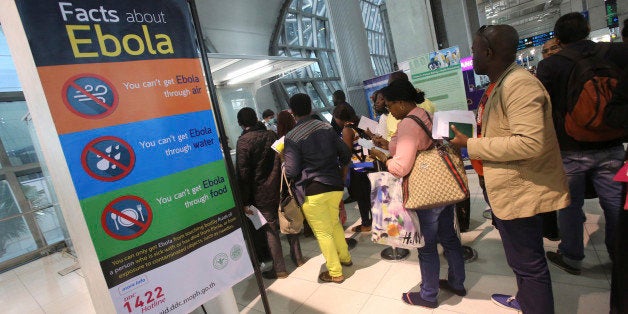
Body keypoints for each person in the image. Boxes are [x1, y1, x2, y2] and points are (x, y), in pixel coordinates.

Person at [450, 24, 570, 313]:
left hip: (520, 191)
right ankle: (527, 301)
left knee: (529, 263)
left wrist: (471, 145)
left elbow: (529, 143)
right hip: (506, 187)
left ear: (488, 52)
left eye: (474, 50)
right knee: (520, 259)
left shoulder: (519, 84)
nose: (472, 56)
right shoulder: (501, 83)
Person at [536, 12, 628, 275]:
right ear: (587, 29)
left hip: (570, 148)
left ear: (558, 38)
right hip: (612, 143)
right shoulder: (616, 53)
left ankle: (572, 255)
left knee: (569, 205)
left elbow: (543, 109)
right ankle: (620, 255)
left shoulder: (551, 66)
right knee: (615, 204)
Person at [369, 79, 465, 309]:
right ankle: (457, 282)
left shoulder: (406, 124)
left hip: (426, 194)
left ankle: (428, 295)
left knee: (427, 246)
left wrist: (384, 158)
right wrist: (388, 143)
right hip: (443, 186)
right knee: (449, 238)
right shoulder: (423, 113)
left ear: (401, 103)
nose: (390, 110)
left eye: (391, 105)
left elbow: (401, 167)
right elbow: (416, 143)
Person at [283, 93, 353, 283]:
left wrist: (284, 164)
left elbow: (292, 170)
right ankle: (345, 258)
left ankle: (335, 272)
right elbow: (345, 153)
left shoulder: (291, 137)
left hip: (312, 190)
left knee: (323, 232)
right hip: (334, 185)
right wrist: (339, 173)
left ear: (292, 113)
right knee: (335, 224)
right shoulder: (326, 127)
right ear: (311, 107)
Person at [235, 107, 290, 279]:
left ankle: (279, 268)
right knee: (288, 220)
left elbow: (243, 174)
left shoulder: (243, 142)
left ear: (241, 123)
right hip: (279, 187)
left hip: (261, 193)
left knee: (270, 230)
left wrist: (243, 200)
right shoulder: (271, 135)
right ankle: (298, 257)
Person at [333, 103, 372, 233]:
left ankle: (366, 224)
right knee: (368, 196)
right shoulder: (359, 125)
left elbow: (347, 152)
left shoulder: (346, 130)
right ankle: (373, 220)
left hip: (356, 169)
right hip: (367, 166)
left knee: (361, 198)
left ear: (340, 118)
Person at [274, 110, 306, 266]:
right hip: (304, 179)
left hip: (288, 181)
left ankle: (297, 256)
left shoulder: (279, 141)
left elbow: (283, 166)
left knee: (290, 214)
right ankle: (308, 230)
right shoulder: (298, 135)